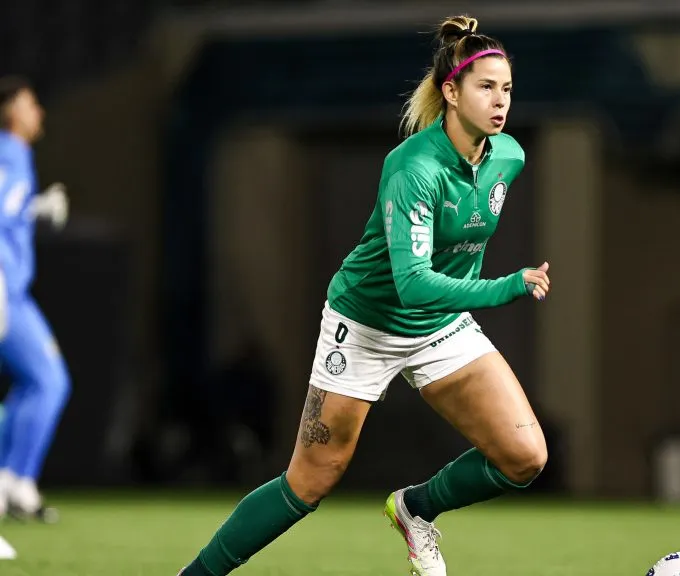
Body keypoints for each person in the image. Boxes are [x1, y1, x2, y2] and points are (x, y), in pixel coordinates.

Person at [178, 14, 550, 576]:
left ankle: (415, 509)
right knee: (310, 480)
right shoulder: (412, 168)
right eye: (485, 87)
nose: (501, 101)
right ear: (451, 91)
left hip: (442, 325)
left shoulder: (508, 157)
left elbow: (440, 280)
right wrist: (507, 285)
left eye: (507, 89)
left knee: (525, 458)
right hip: (368, 325)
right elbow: (412, 283)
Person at [0, 75, 71, 521]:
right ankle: (16, 481)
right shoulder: (9, 150)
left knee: (37, 383)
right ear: (10, 111)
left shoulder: (16, 155)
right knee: (49, 381)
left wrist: (35, 207)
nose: (38, 112)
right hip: (6, 290)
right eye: (30, 104)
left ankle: (12, 480)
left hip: (14, 291)